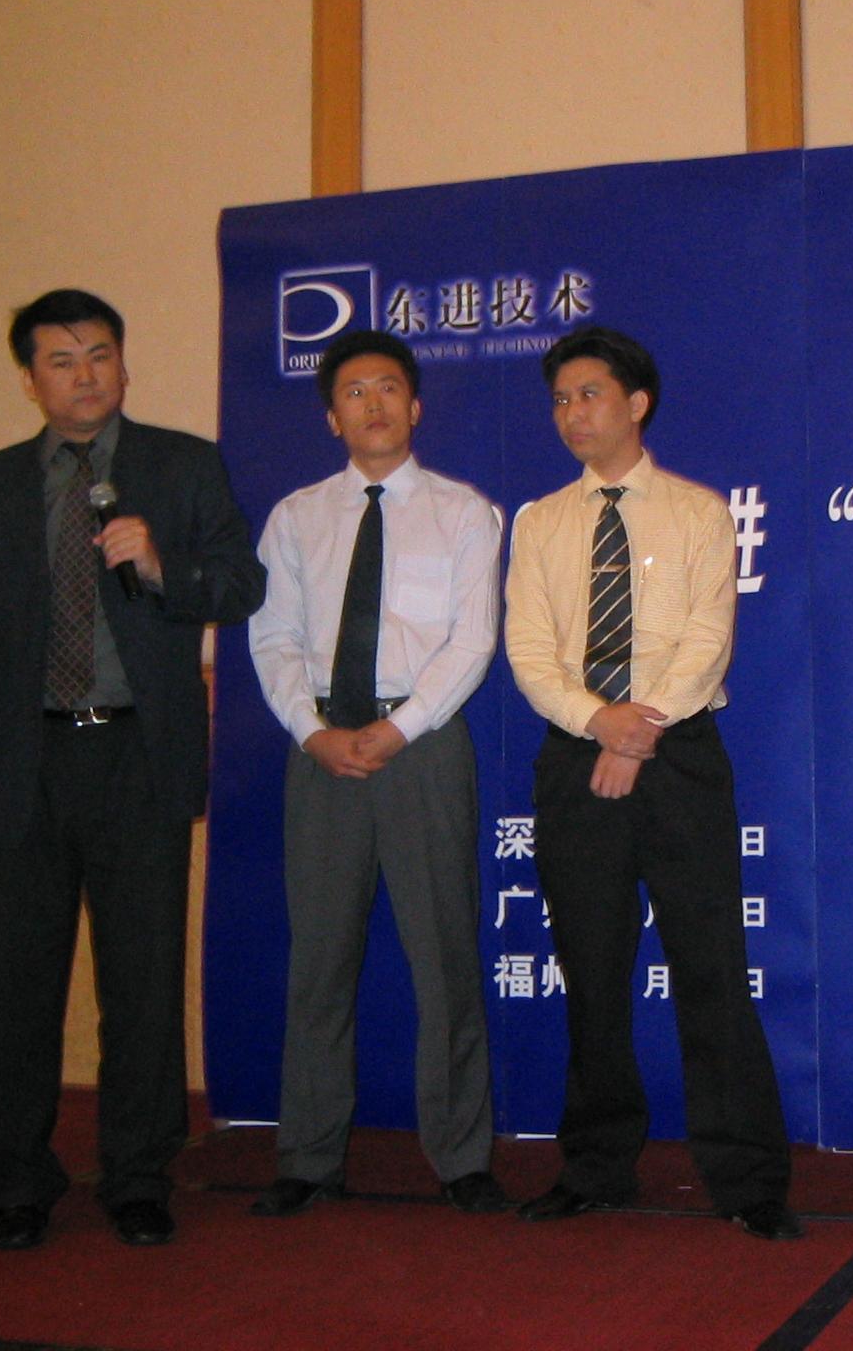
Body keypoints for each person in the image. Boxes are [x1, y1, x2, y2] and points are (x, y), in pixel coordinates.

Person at [0, 288, 266, 1251]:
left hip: (137, 753)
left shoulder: (182, 464)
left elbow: (241, 585)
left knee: (143, 977)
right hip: (21, 756)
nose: (86, 376)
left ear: (124, 364)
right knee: (20, 978)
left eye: (101, 355)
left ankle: (138, 1174)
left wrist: (162, 566)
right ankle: (16, 1177)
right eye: (62, 360)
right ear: (30, 380)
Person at [503, 326, 800, 1241]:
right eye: (560, 400)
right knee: (591, 971)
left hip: (680, 756)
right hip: (575, 756)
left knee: (711, 968)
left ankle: (747, 1179)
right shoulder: (540, 523)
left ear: (637, 403)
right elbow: (530, 650)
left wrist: (639, 732)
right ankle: (595, 1166)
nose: (572, 413)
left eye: (589, 394)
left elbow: (707, 639)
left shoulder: (699, 513)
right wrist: (600, 723)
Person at [246, 331, 508, 1218]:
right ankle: (307, 1156)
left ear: (416, 405)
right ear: (333, 417)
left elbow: (472, 641)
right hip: (321, 753)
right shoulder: (296, 518)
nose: (374, 404)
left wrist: (397, 729)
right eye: (354, 392)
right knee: (319, 964)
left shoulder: (464, 512)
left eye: (389, 387)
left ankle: (462, 1158)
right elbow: (273, 639)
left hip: (422, 747)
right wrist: (312, 731)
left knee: (446, 958)